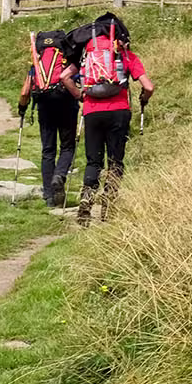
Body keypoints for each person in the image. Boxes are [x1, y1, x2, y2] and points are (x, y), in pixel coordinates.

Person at [75, 13, 154, 227]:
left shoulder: (86, 54)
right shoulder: (125, 55)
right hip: (119, 112)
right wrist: (143, 99)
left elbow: (65, 77)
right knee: (115, 160)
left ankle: (86, 200)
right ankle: (109, 204)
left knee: (93, 161)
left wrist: (80, 95)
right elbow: (149, 87)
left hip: (92, 112)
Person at [17, 31, 81, 209]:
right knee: (67, 146)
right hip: (66, 102)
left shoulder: (37, 65)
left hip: (44, 103)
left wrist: (22, 108)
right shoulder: (67, 62)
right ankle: (59, 175)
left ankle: (49, 196)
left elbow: (24, 92)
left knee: (48, 149)